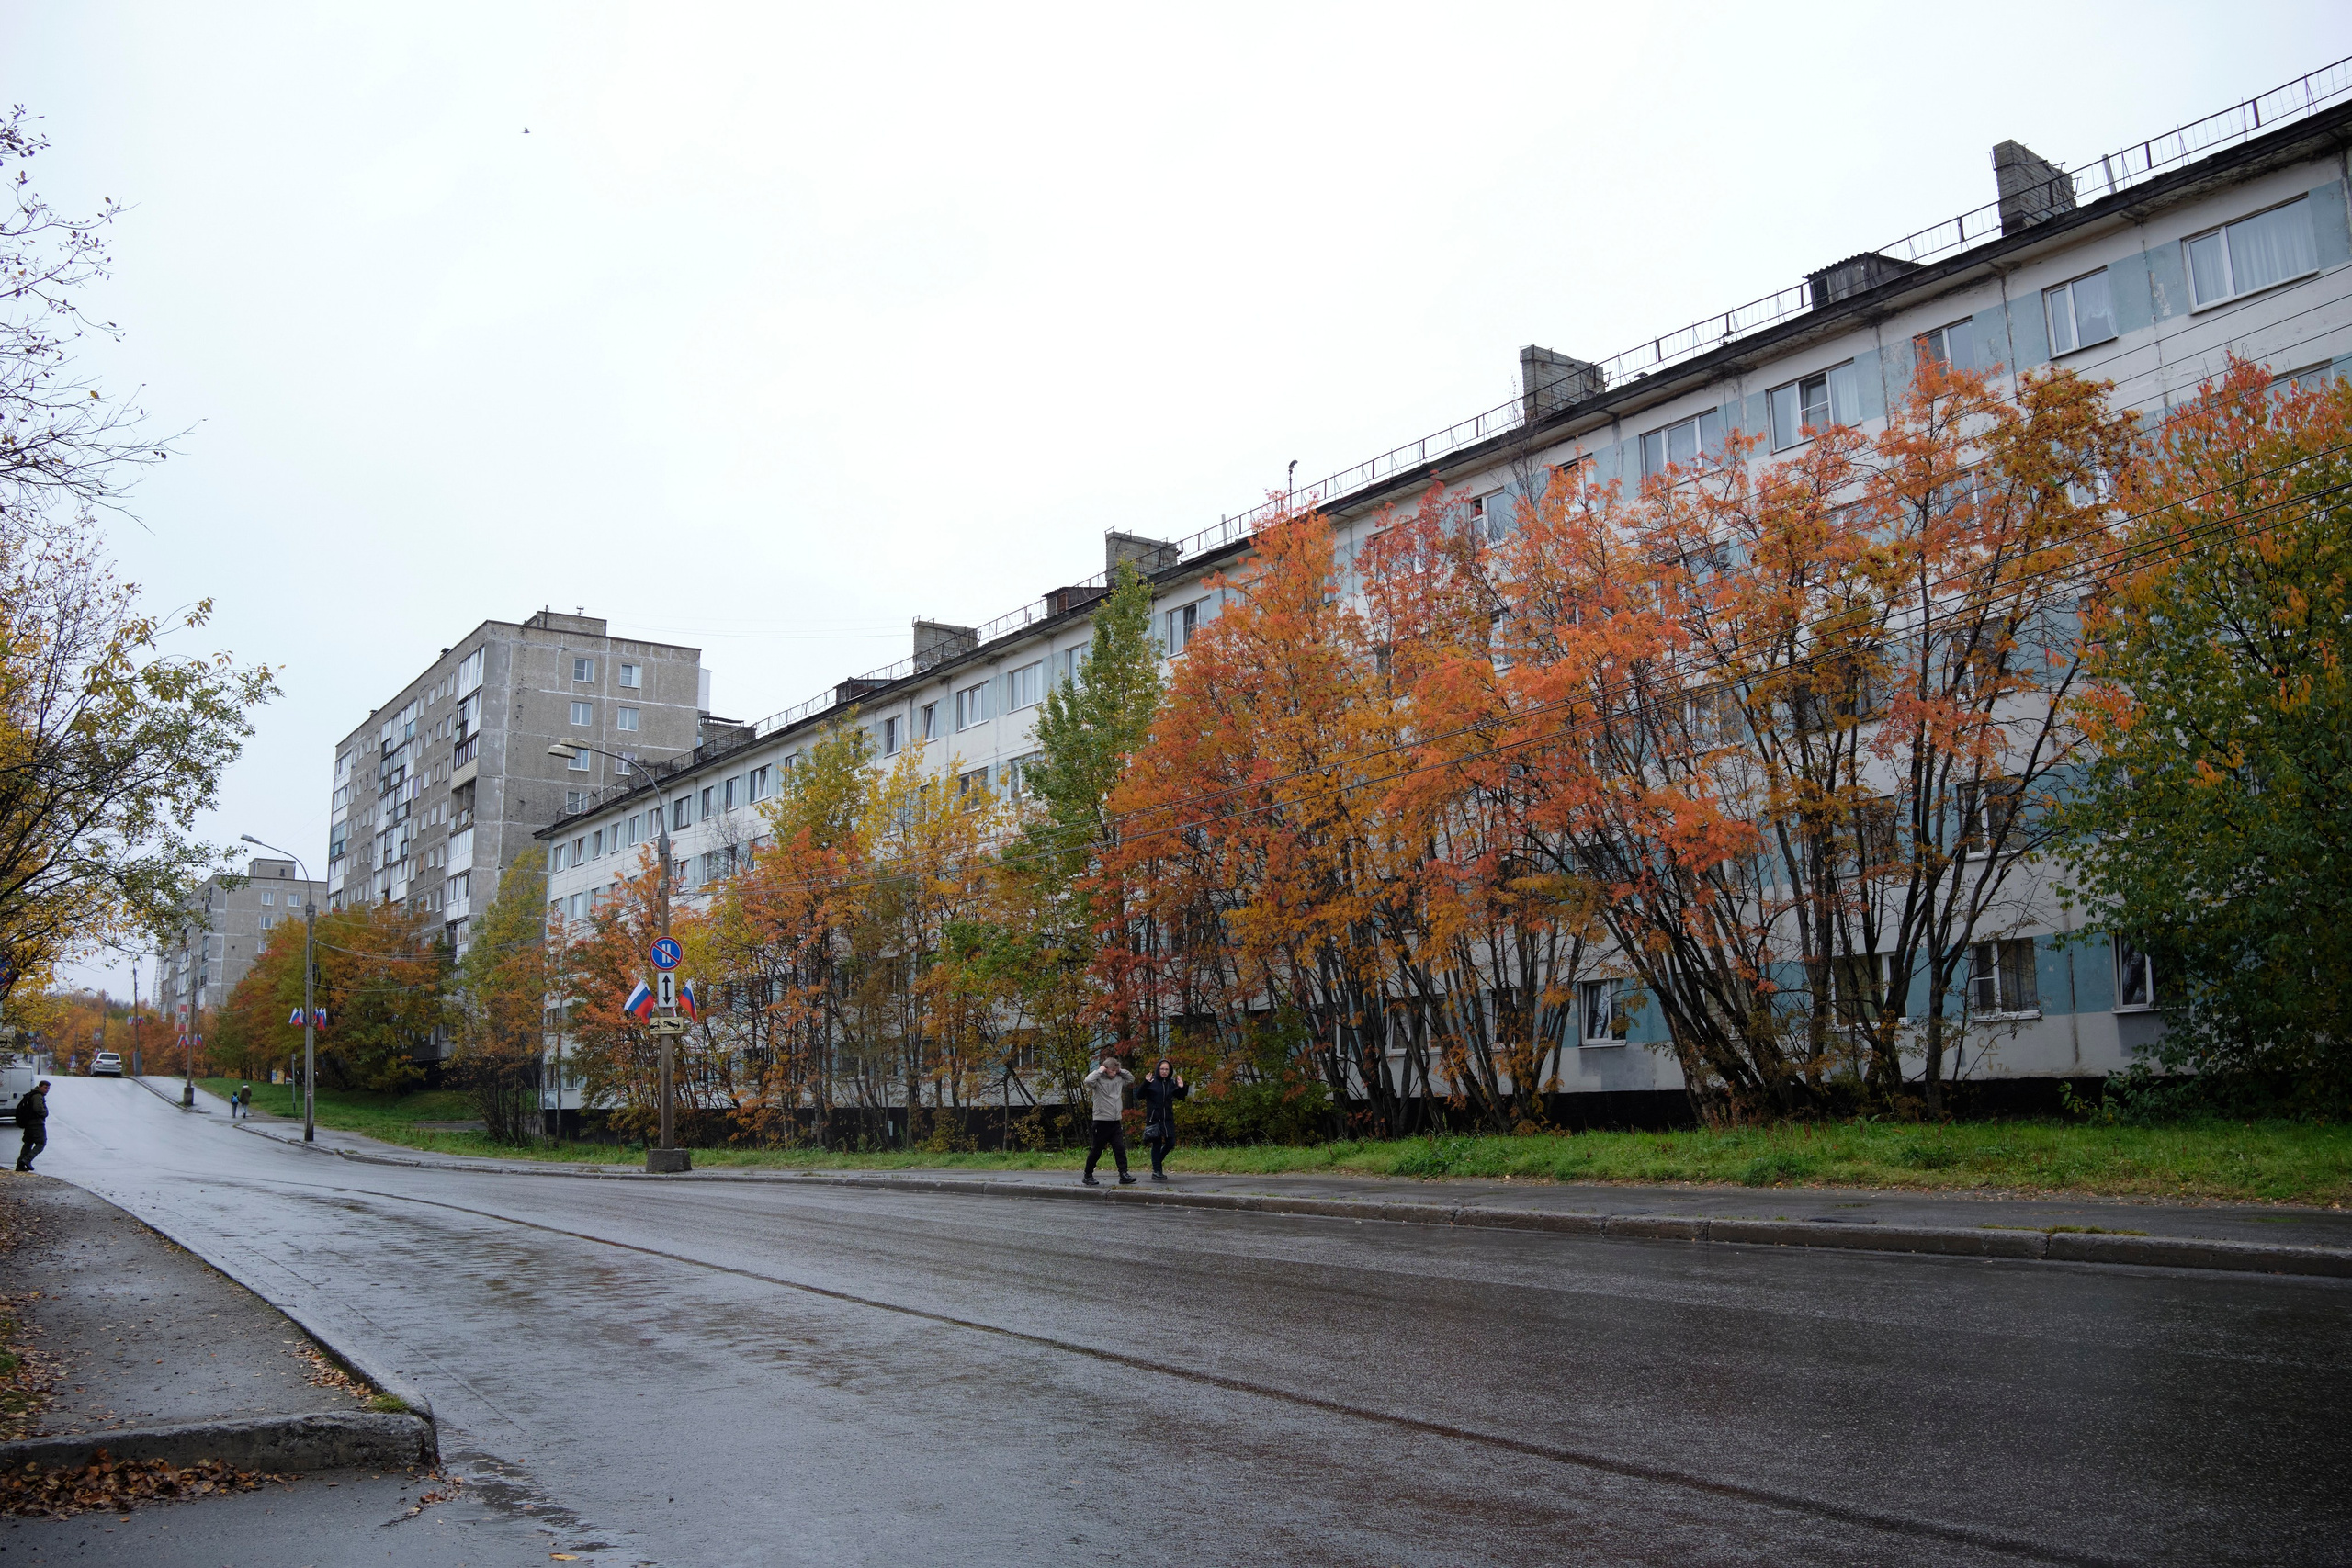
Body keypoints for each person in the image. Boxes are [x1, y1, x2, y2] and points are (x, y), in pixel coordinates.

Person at [1080, 1048, 1136, 1187]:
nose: (1114, 1074)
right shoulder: (1097, 1080)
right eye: (1112, 1071)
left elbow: (1131, 1078)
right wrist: (1100, 1070)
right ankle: (1088, 1174)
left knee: (1119, 1148)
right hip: (1101, 1121)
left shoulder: (1118, 1079)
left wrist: (1120, 1070)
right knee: (1097, 1149)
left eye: (1116, 1071)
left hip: (1115, 1121)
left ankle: (1123, 1174)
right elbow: (1087, 1080)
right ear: (1106, 1069)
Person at [1139, 1057, 1188, 1181]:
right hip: (1154, 1118)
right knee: (1157, 1144)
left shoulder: (1171, 1083)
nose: (1164, 1071)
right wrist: (1145, 1083)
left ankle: (1156, 1163)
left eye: (1166, 1069)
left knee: (1171, 1143)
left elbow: (1181, 1096)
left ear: (1170, 1070)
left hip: (1167, 1119)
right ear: (1158, 1069)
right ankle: (1157, 1171)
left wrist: (1182, 1087)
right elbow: (1139, 1095)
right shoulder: (1152, 1081)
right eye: (1162, 1069)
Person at [13, 1080, 50, 1172]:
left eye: (48, 1088)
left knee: (28, 1143)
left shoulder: (32, 1094)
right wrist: (45, 1113)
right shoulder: (37, 1096)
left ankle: (20, 1165)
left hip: (29, 1123)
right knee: (41, 1143)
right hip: (36, 1123)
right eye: (45, 1087)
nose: (47, 1090)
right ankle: (27, 1160)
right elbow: (38, 1109)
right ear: (40, 1087)